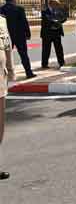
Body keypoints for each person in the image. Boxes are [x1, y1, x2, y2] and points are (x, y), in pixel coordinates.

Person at [0, 0, 35, 78]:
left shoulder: (1, 9)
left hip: (6, 36)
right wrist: (28, 33)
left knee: (5, 56)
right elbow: (24, 22)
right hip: (19, 35)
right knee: (24, 55)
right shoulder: (19, 8)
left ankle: (5, 75)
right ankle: (29, 72)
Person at [0, 13, 15, 180]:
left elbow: (7, 47)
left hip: (0, 79)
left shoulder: (2, 20)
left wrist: (11, 70)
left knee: (0, 125)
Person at [41, 0, 67, 69]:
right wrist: (53, 25)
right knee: (46, 49)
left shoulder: (59, 10)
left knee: (59, 48)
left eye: (58, 4)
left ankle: (61, 62)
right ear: (51, 4)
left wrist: (59, 22)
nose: (58, 6)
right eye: (56, 4)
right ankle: (44, 64)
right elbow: (46, 20)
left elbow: (64, 18)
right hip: (47, 33)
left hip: (57, 32)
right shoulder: (45, 11)